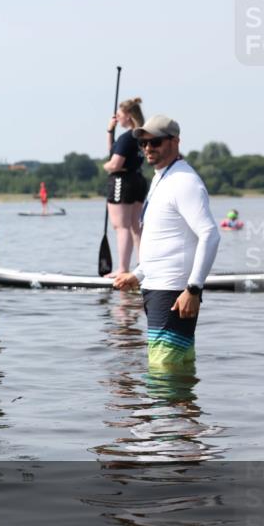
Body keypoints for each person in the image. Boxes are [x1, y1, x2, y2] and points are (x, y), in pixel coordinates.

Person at [113, 115, 220, 367]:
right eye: (143, 144)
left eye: (156, 142)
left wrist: (193, 289)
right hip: (158, 287)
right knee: (176, 370)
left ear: (175, 141)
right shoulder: (162, 177)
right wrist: (138, 274)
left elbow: (210, 234)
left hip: (174, 292)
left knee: (164, 374)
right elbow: (165, 239)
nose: (148, 148)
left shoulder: (184, 182)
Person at [103, 97, 148, 276]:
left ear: (128, 116)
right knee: (136, 227)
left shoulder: (126, 137)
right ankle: (142, 265)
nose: (117, 118)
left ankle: (122, 269)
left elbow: (114, 163)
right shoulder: (141, 135)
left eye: (119, 115)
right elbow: (114, 150)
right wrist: (109, 130)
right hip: (138, 180)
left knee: (121, 226)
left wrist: (105, 167)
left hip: (122, 181)